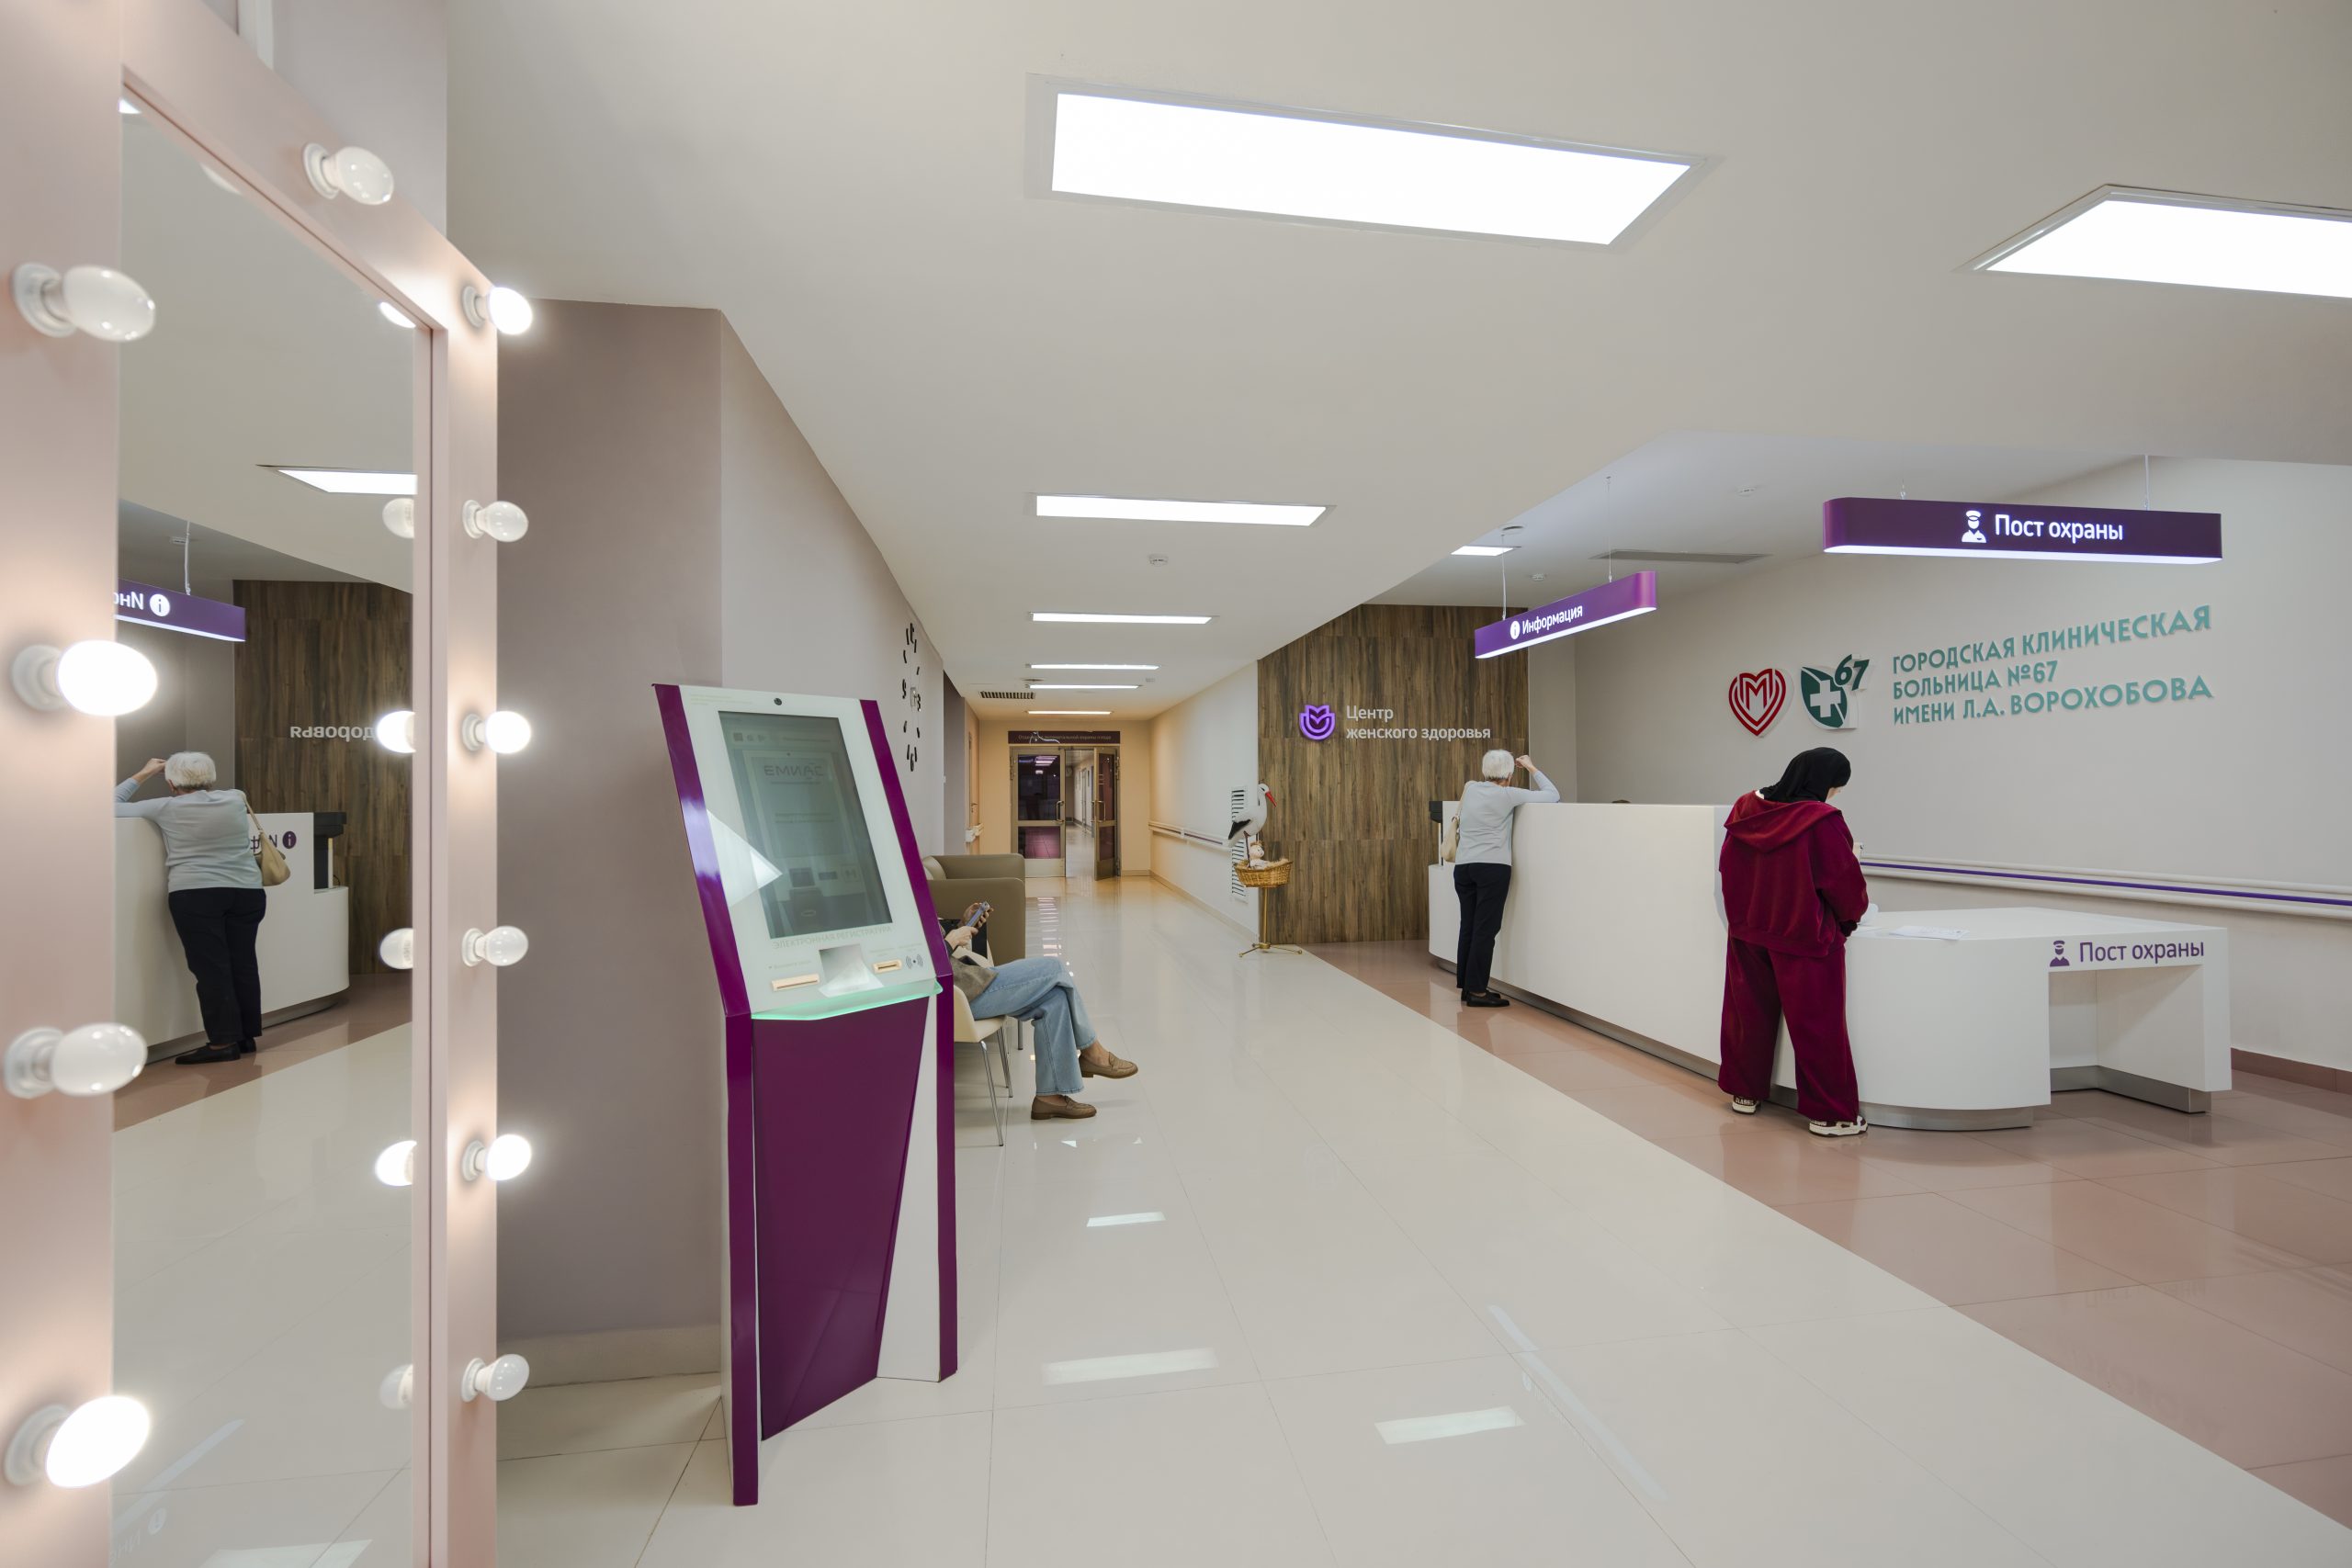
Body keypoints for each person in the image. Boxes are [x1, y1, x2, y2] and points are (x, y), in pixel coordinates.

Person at [1716, 746, 1870, 1136]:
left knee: (1746, 1016)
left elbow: (1728, 865)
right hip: (1804, 936)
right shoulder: (1822, 821)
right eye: (1836, 787)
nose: (1835, 795)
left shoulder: (1745, 808)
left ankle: (1743, 1093)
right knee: (1818, 1026)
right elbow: (1843, 883)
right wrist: (1849, 920)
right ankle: (1830, 1115)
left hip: (1749, 931)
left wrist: (1741, 917)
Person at [115, 753, 266, 1065]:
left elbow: (108, 806)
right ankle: (245, 1036)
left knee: (212, 969)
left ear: (171, 783)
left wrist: (144, 773)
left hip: (197, 894)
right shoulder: (235, 798)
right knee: (243, 963)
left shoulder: (165, 807)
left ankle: (222, 1043)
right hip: (247, 892)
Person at [943, 921, 1136, 1120]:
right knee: (1055, 968)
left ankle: (1049, 1098)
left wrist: (963, 924)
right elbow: (923, 964)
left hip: (966, 981)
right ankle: (1093, 1053)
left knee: (1055, 998)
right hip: (957, 994)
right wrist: (951, 941)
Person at [1452, 750, 1559, 1008]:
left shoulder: (1472, 788)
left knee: (1468, 926)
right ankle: (1477, 991)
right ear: (1509, 774)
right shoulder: (1508, 794)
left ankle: (1467, 986)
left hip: (1464, 867)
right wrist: (1531, 767)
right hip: (1492, 867)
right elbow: (1553, 795)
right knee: (1485, 930)